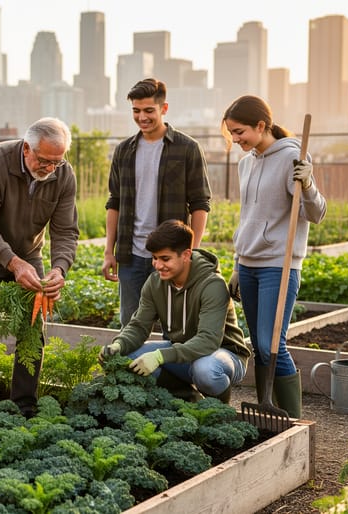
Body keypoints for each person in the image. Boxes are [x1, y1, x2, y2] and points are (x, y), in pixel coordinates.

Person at [0, 117, 79, 417]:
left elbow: (65, 231)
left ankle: (24, 404)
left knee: (33, 328)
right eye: (44, 161)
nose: (50, 168)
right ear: (27, 149)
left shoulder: (63, 175)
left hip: (28, 252)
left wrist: (59, 270)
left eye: (57, 162)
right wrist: (13, 263)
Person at [222, 95, 327, 418]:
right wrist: (238, 264)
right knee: (259, 345)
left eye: (240, 132)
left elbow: (317, 213)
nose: (236, 140)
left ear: (261, 125)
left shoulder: (293, 157)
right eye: (232, 133)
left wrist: (307, 183)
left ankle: (293, 421)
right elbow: (247, 217)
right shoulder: (246, 162)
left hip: (278, 266)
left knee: (272, 344)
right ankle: (269, 415)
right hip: (249, 264)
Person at [100, 220, 253, 403]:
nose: (157, 265)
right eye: (155, 258)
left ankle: (220, 409)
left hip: (223, 354)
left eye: (165, 259)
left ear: (186, 255)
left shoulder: (213, 285)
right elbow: (139, 326)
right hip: (183, 352)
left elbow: (208, 341)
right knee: (126, 356)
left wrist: (159, 356)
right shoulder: (155, 283)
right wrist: (119, 344)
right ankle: (190, 398)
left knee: (205, 370)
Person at [102, 78, 211, 326]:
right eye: (136, 111)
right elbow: (114, 202)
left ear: (164, 108)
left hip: (171, 255)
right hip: (131, 255)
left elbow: (200, 203)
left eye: (149, 110)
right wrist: (110, 251)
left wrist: (191, 252)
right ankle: (128, 367)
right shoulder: (123, 151)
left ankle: (170, 367)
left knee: (174, 327)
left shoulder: (187, 148)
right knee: (130, 326)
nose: (142, 117)